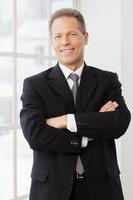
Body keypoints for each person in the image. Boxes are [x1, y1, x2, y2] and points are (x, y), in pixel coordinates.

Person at [20, 8, 131, 200]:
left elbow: (119, 122)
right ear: (52, 41)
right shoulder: (34, 85)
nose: (65, 42)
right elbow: (35, 134)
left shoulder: (107, 81)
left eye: (72, 34)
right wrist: (89, 132)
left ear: (85, 37)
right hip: (52, 190)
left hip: (101, 187)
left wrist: (66, 120)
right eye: (58, 36)